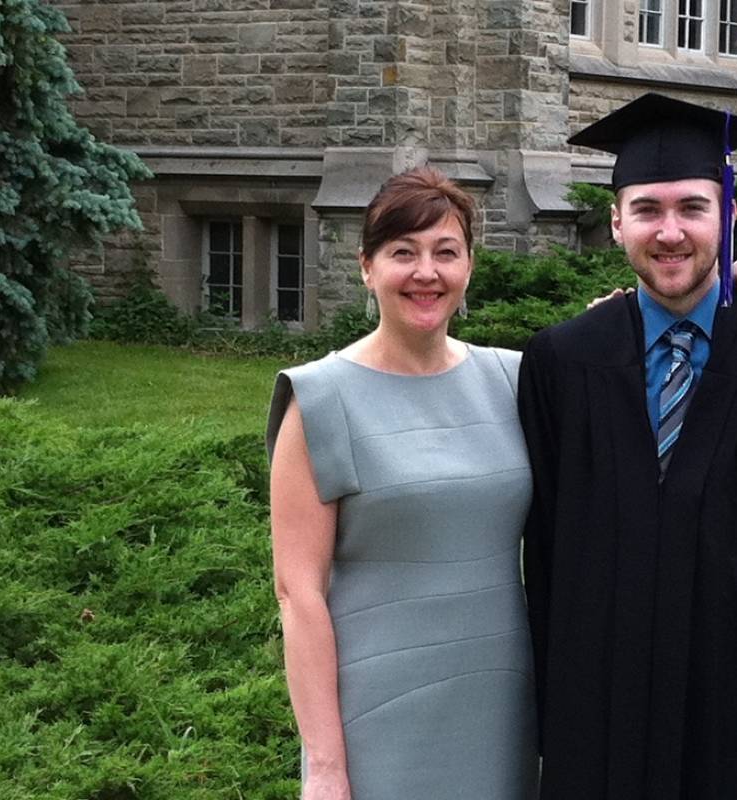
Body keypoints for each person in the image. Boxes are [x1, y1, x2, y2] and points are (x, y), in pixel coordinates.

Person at [517, 93, 737, 799]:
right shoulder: (560, 361)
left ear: (729, 217)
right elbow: (544, 548)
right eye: (647, 210)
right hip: (599, 702)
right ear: (616, 223)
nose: (670, 232)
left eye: (692, 208)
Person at [266, 166, 537, 800]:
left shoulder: (516, 381)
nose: (427, 273)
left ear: (469, 266)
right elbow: (297, 594)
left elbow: (636, 371)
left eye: (446, 252)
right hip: (378, 713)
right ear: (366, 267)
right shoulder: (319, 399)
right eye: (403, 253)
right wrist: (326, 765)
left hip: (503, 705)